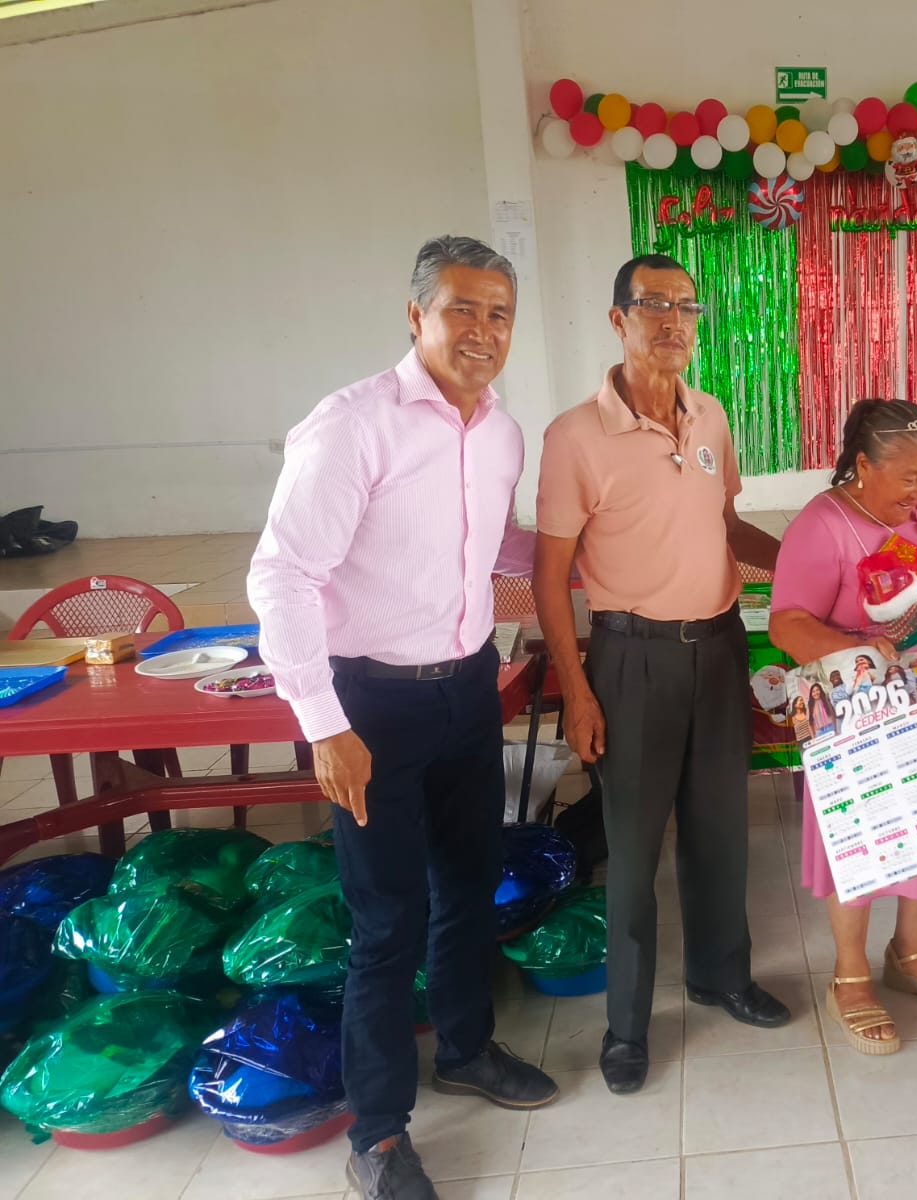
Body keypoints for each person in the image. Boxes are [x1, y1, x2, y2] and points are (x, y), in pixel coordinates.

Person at [248, 236, 557, 1200]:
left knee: (468, 882)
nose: (483, 330)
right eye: (462, 308)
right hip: (370, 703)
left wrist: (587, 549)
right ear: (416, 314)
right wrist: (323, 722)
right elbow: (282, 576)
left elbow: (494, 543)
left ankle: (464, 1049)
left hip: (467, 688)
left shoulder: (501, 432)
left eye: (500, 313)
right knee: (386, 919)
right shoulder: (353, 426)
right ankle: (378, 1132)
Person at [532, 253, 790, 1096]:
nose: (674, 320)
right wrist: (578, 689)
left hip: (718, 648)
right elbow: (550, 576)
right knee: (635, 846)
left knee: (720, 829)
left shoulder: (710, 414)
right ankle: (628, 1026)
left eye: (687, 306)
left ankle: (722, 975)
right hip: (630, 658)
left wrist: (805, 562)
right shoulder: (575, 436)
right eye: (654, 304)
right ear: (619, 320)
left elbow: (727, 524)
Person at [769, 398, 917, 1056]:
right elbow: (787, 624)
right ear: (863, 466)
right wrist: (859, 649)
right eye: (909, 477)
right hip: (852, 704)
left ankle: (911, 953)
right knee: (860, 841)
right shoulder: (823, 524)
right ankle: (851, 974)